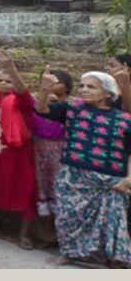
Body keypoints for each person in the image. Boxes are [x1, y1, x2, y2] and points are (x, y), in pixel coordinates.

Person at [36, 70, 131, 268]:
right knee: (68, 216)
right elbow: (43, 110)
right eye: (82, 86)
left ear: (108, 93)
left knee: (110, 221)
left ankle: (114, 260)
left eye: (91, 87)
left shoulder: (124, 119)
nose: (84, 90)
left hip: (110, 180)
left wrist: (128, 180)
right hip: (73, 176)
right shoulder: (73, 109)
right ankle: (68, 253)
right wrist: (44, 89)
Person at [0, 49, 37, 248]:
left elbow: (22, 91)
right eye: (0, 80)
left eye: (9, 81)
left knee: (25, 189)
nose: (4, 84)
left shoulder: (22, 102)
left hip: (19, 154)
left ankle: (24, 234)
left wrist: (10, 68)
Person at [32, 67, 74, 244]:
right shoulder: (36, 101)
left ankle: (63, 237)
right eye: (48, 81)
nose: (51, 84)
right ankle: (46, 235)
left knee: (61, 192)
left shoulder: (73, 106)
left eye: (56, 82)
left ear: (67, 86)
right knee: (41, 191)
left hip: (61, 154)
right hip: (39, 153)